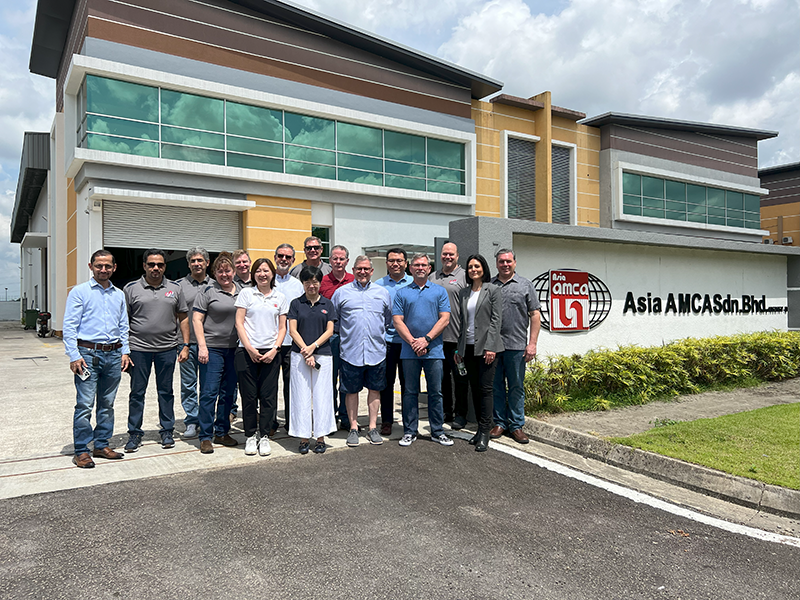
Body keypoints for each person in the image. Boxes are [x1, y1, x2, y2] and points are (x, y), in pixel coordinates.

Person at [63, 250, 132, 468]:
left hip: (113, 355)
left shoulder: (119, 294)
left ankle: (101, 444)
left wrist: (125, 351)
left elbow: (123, 325)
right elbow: (69, 326)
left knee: (107, 403)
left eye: (107, 266)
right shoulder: (79, 292)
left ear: (114, 268)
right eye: (99, 265)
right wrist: (74, 355)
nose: (103, 270)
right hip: (87, 355)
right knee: (84, 404)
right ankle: (81, 450)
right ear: (90, 266)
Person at [123, 249, 190, 453]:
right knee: (137, 392)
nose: (155, 268)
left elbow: (183, 318)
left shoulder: (175, 288)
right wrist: (124, 350)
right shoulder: (131, 289)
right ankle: (134, 433)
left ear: (164, 267)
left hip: (167, 349)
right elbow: (122, 321)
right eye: (151, 264)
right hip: (138, 350)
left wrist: (185, 344)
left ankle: (167, 430)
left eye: (160, 265)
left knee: (166, 391)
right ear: (144, 266)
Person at [392, 253, 454, 448]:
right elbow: (397, 320)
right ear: (410, 268)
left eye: (424, 265)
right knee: (409, 392)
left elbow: (444, 319)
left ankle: (437, 431)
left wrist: (426, 340)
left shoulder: (439, 291)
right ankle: (410, 431)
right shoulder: (402, 293)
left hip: (434, 350)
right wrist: (413, 342)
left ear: (429, 269)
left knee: (436, 392)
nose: (420, 268)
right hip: (409, 351)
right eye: (417, 265)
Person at [331, 256, 392, 447]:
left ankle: (373, 427)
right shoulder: (341, 293)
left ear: (372, 271)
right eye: (359, 269)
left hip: (376, 351)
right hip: (350, 351)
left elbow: (387, 319)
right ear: (353, 270)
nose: (363, 272)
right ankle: (353, 427)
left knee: (375, 390)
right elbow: (334, 320)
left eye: (366, 269)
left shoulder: (382, 293)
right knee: (351, 392)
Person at [235, 258, 288, 456]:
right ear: (253, 274)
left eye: (266, 271)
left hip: (271, 353)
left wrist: (275, 349)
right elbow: (239, 323)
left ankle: (264, 436)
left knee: (268, 397)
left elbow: (283, 327)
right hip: (246, 352)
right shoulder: (246, 293)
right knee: (248, 397)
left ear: (272, 274)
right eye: (258, 270)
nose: (262, 274)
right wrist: (248, 348)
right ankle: (250, 436)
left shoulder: (280, 297)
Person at [193, 252, 242, 454]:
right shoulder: (207, 291)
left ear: (234, 271)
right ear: (214, 273)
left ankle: (222, 432)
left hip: (235, 350)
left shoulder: (242, 291)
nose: (224, 275)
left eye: (228, 271)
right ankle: (205, 436)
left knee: (228, 393)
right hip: (212, 349)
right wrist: (202, 346)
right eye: (220, 271)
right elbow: (197, 320)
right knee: (208, 393)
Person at [491, 248, 541, 444]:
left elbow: (535, 315)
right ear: (496, 264)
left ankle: (516, 425)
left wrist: (533, 344)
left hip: (517, 346)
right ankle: (499, 423)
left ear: (515, 263)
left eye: (508, 261)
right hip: (494, 347)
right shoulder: (490, 286)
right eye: (501, 261)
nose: (505, 264)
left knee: (516, 387)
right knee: (496, 386)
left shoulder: (525, 285)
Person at [455, 254, 504, 452]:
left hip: (486, 348)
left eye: (477, 266)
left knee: (485, 389)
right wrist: (459, 349)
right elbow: (461, 323)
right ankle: (478, 430)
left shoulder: (493, 290)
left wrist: (491, 346)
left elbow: (496, 320)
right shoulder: (464, 292)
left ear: (483, 268)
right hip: (467, 347)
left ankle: (485, 431)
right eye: (470, 267)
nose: (473, 269)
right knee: (474, 388)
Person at [288, 266, 336, 454]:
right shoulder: (296, 304)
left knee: (322, 396)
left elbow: (330, 331)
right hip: (299, 356)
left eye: (315, 281)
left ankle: (321, 437)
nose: (311, 285)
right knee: (301, 395)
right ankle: (303, 438)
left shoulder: (328, 304)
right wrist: (306, 352)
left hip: (322, 354)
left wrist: (313, 348)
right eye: (307, 281)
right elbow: (293, 330)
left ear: (320, 282)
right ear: (303, 283)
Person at [429, 241, 469, 428]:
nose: (447, 257)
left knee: (460, 378)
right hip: (437, 339)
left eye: (451, 254)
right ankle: (447, 412)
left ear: (457, 256)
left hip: (457, 338)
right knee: (442, 378)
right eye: (445, 254)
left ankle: (461, 414)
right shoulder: (432, 277)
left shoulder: (464, 276)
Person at [176, 247, 210, 439]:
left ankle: (206, 419)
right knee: (188, 384)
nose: (197, 264)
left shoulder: (215, 284)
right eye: (193, 261)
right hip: (186, 343)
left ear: (207, 262)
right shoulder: (179, 286)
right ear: (188, 264)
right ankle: (191, 420)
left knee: (208, 386)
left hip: (209, 343)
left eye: (200, 260)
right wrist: (181, 344)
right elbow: (176, 315)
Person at [375, 247, 411, 435]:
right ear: (386, 263)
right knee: (386, 383)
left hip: (409, 342)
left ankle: (409, 420)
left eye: (399, 260)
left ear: (406, 263)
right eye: (391, 260)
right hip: (387, 342)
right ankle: (387, 420)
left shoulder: (415, 282)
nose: (395, 264)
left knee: (408, 383)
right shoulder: (378, 285)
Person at [319, 244, 354, 430]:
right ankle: (329, 418)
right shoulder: (322, 282)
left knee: (347, 379)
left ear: (347, 261)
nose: (338, 262)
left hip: (350, 338)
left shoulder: (354, 280)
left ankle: (346, 417)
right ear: (329, 261)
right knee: (329, 380)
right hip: (329, 337)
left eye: (342, 259)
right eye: (335, 258)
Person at [273, 243, 304, 433]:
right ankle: (270, 422)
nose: (284, 259)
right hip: (271, 343)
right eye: (280, 256)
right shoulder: (267, 281)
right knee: (269, 386)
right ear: (275, 257)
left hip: (291, 344)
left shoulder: (298, 285)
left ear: (293, 260)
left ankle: (292, 421)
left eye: (288, 257)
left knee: (292, 385)